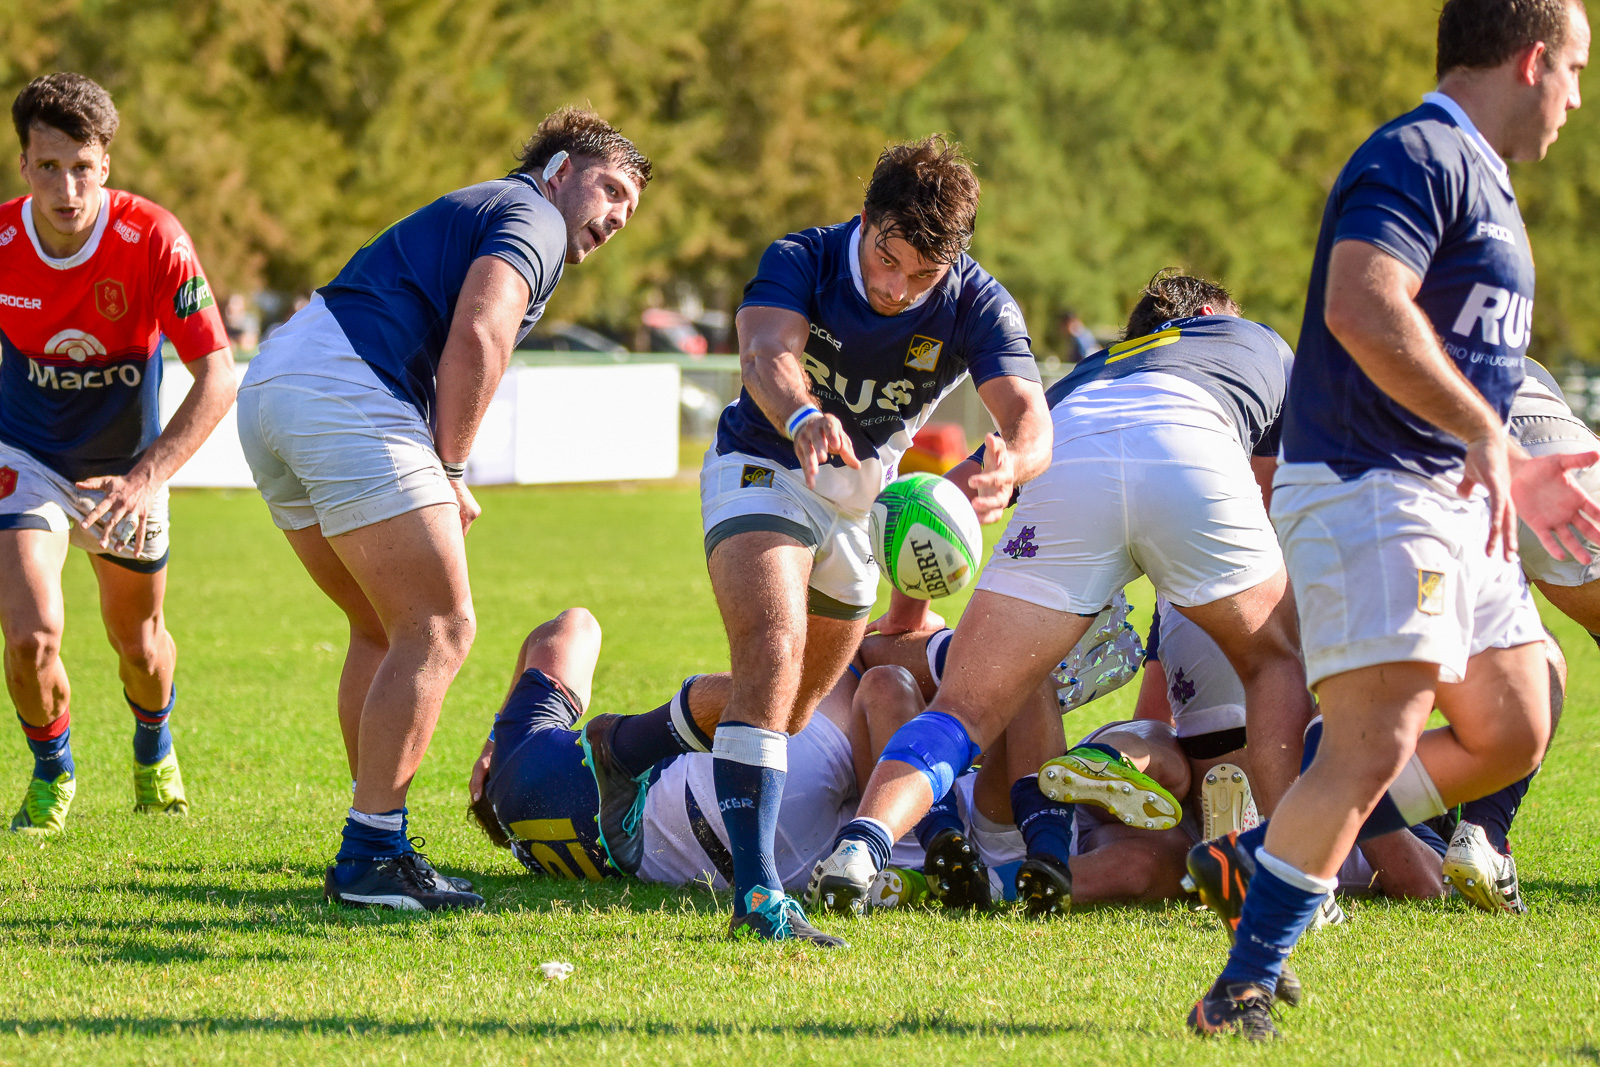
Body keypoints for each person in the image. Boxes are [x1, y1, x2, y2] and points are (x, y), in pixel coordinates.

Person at [1187, 0, 1595, 1039]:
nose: (1575, 100)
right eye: (1576, 72)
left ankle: (1262, 855)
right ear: (1532, 60)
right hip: (1374, 486)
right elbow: (1362, 305)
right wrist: (1486, 434)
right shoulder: (1418, 154)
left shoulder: (1487, 179)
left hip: (1453, 496)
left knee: (1516, 717)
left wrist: (1513, 466)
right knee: (1373, 743)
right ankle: (1241, 986)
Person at [580, 135, 1050, 944]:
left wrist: (1012, 466)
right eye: (887, 258)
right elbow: (766, 350)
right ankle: (760, 897)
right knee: (774, 650)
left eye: (922, 275)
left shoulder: (978, 301)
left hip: (860, 507)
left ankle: (625, 744)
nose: (896, 287)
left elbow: (1031, 416)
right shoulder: (803, 256)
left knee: (791, 707)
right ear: (864, 220)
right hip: (763, 463)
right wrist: (801, 413)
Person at [236, 107, 650, 911]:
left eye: (630, 209)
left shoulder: (492, 205)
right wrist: (451, 467)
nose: (617, 216)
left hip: (277, 382)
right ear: (561, 170)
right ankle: (373, 852)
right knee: (442, 625)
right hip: (346, 388)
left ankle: (374, 836)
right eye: (610, 189)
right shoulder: (534, 213)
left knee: (382, 627)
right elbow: (483, 329)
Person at [808, 272, 1314, 915]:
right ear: (1212, 312)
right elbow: (1267, 500)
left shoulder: (1087, 373)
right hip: (1194, 447)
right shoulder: (1251, 340)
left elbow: (940, 500)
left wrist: (906, 611)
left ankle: (863, 845)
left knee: (965, 706)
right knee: (1272, 662)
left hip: (1072, 455)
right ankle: (1294, 871)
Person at [0, 74, 237, 833]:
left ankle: (153, 746)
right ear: (23, 164)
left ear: (105, 162)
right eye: (47, 167)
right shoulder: (3, 244)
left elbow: (219, 376)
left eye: (81, 167)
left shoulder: (153, 238)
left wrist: (145, 478)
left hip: (126, 473)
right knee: (30, 633)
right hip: (27, 456)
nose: (66, 188)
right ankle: (52, 772)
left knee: (139, 645)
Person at [464, 611, 1023, 922]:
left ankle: (968, 677)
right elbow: (572, 625)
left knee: (858, 689)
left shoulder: (522, 818)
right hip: (712, 802)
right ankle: (974, 657)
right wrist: (495, 737)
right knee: (839, 661)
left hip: (739, 853)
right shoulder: (520, 758)